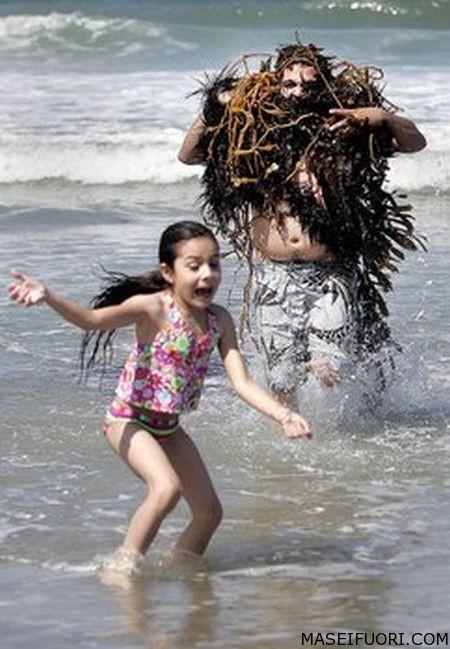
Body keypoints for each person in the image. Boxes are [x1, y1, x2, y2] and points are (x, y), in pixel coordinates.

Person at [6, 220, 311, 571]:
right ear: (168, 272)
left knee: (210, 512)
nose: (207, 275)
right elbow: (91, 320)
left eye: (214, 264)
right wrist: (48, 296)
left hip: (168, 427)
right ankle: (121, 568)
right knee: (166, 489)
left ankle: (181, 570)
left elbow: (241, 382)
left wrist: (284, 415)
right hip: (128, 420)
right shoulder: (153, 308)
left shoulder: (219, 321)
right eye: (194, 266)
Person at [178, 45, 426, 407]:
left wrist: (381, 116)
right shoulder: (253, 137)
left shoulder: (345, 133)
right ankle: (294, 448)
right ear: (276, 85)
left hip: (330, 274)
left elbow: (415, 142)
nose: (298, 93)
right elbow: (189, 155)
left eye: (308, 86)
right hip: (273, 277)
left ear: (323, 87)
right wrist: (215, 103)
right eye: (289, 84)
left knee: (327, 370)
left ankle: (349, 438)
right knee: (282, 381)